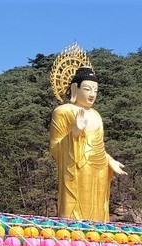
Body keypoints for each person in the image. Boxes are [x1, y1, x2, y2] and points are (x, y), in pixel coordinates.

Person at [49, 65, 127, 222]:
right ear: (74, 88)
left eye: (95, 90)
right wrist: (75, 131)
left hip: (99, 168)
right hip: (76, 168)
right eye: (87, 89)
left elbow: (97, 146)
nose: (92, 94)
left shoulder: (96, 115)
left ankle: (98, 241)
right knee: (76, 211)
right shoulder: (63, 111)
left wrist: (110, 160)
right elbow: (55, 146)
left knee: (98, 211)